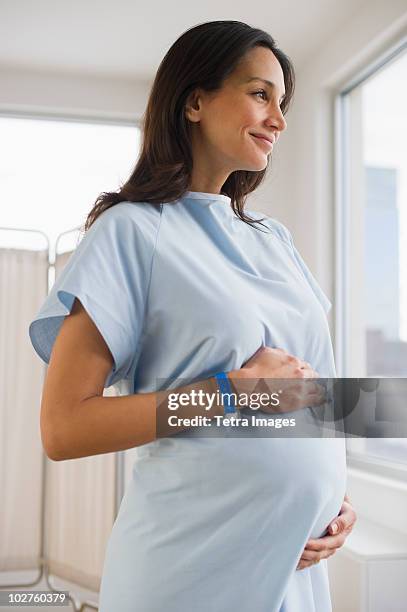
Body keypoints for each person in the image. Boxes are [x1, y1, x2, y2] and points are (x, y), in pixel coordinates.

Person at [29, 20, 356, 612]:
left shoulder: (275, 241)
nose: (278, 120)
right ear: (195, 100)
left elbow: (314, 390)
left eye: (281, 104)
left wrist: (336, 497)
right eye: (260, 95)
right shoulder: (132, 231)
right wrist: (230, 394)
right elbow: (64, 428)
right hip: (191, 567)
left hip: (293, 563)